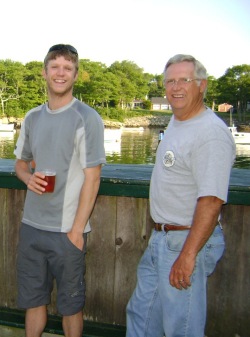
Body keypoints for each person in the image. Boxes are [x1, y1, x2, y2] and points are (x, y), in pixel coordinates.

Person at [126, 55, 236, 337]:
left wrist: (188, 255)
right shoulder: (177, 122)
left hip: (186, 241)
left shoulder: (210, 133)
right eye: (170, 81)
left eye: (184, 80)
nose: (176, 87)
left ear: (201, 85)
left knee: (181, 328)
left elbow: (212, 201)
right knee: (142, 316)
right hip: (162, 238)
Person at [14, 44, 106, 337]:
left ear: (76, 75)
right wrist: (28, 178)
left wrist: (77, 231)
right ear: (45, 72)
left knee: (71, 307)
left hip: (68, 231)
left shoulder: (87, 117)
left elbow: (93, 178)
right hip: (31, 226)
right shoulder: (32, 117)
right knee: (33, 301)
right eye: (55, 66)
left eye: (67, 67)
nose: (60, 73)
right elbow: (20, 163)